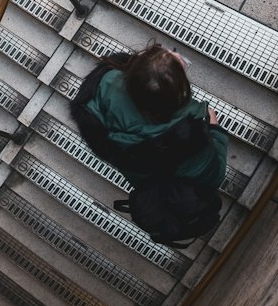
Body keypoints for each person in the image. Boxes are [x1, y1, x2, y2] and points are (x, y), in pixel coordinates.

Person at [77, 44, 228, 196]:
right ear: (176, 95)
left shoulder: (105, 83)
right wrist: (215, 131)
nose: (173, 52)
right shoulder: (186, 141)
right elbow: (213, 178)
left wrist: (145, 65)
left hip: (140, 172)